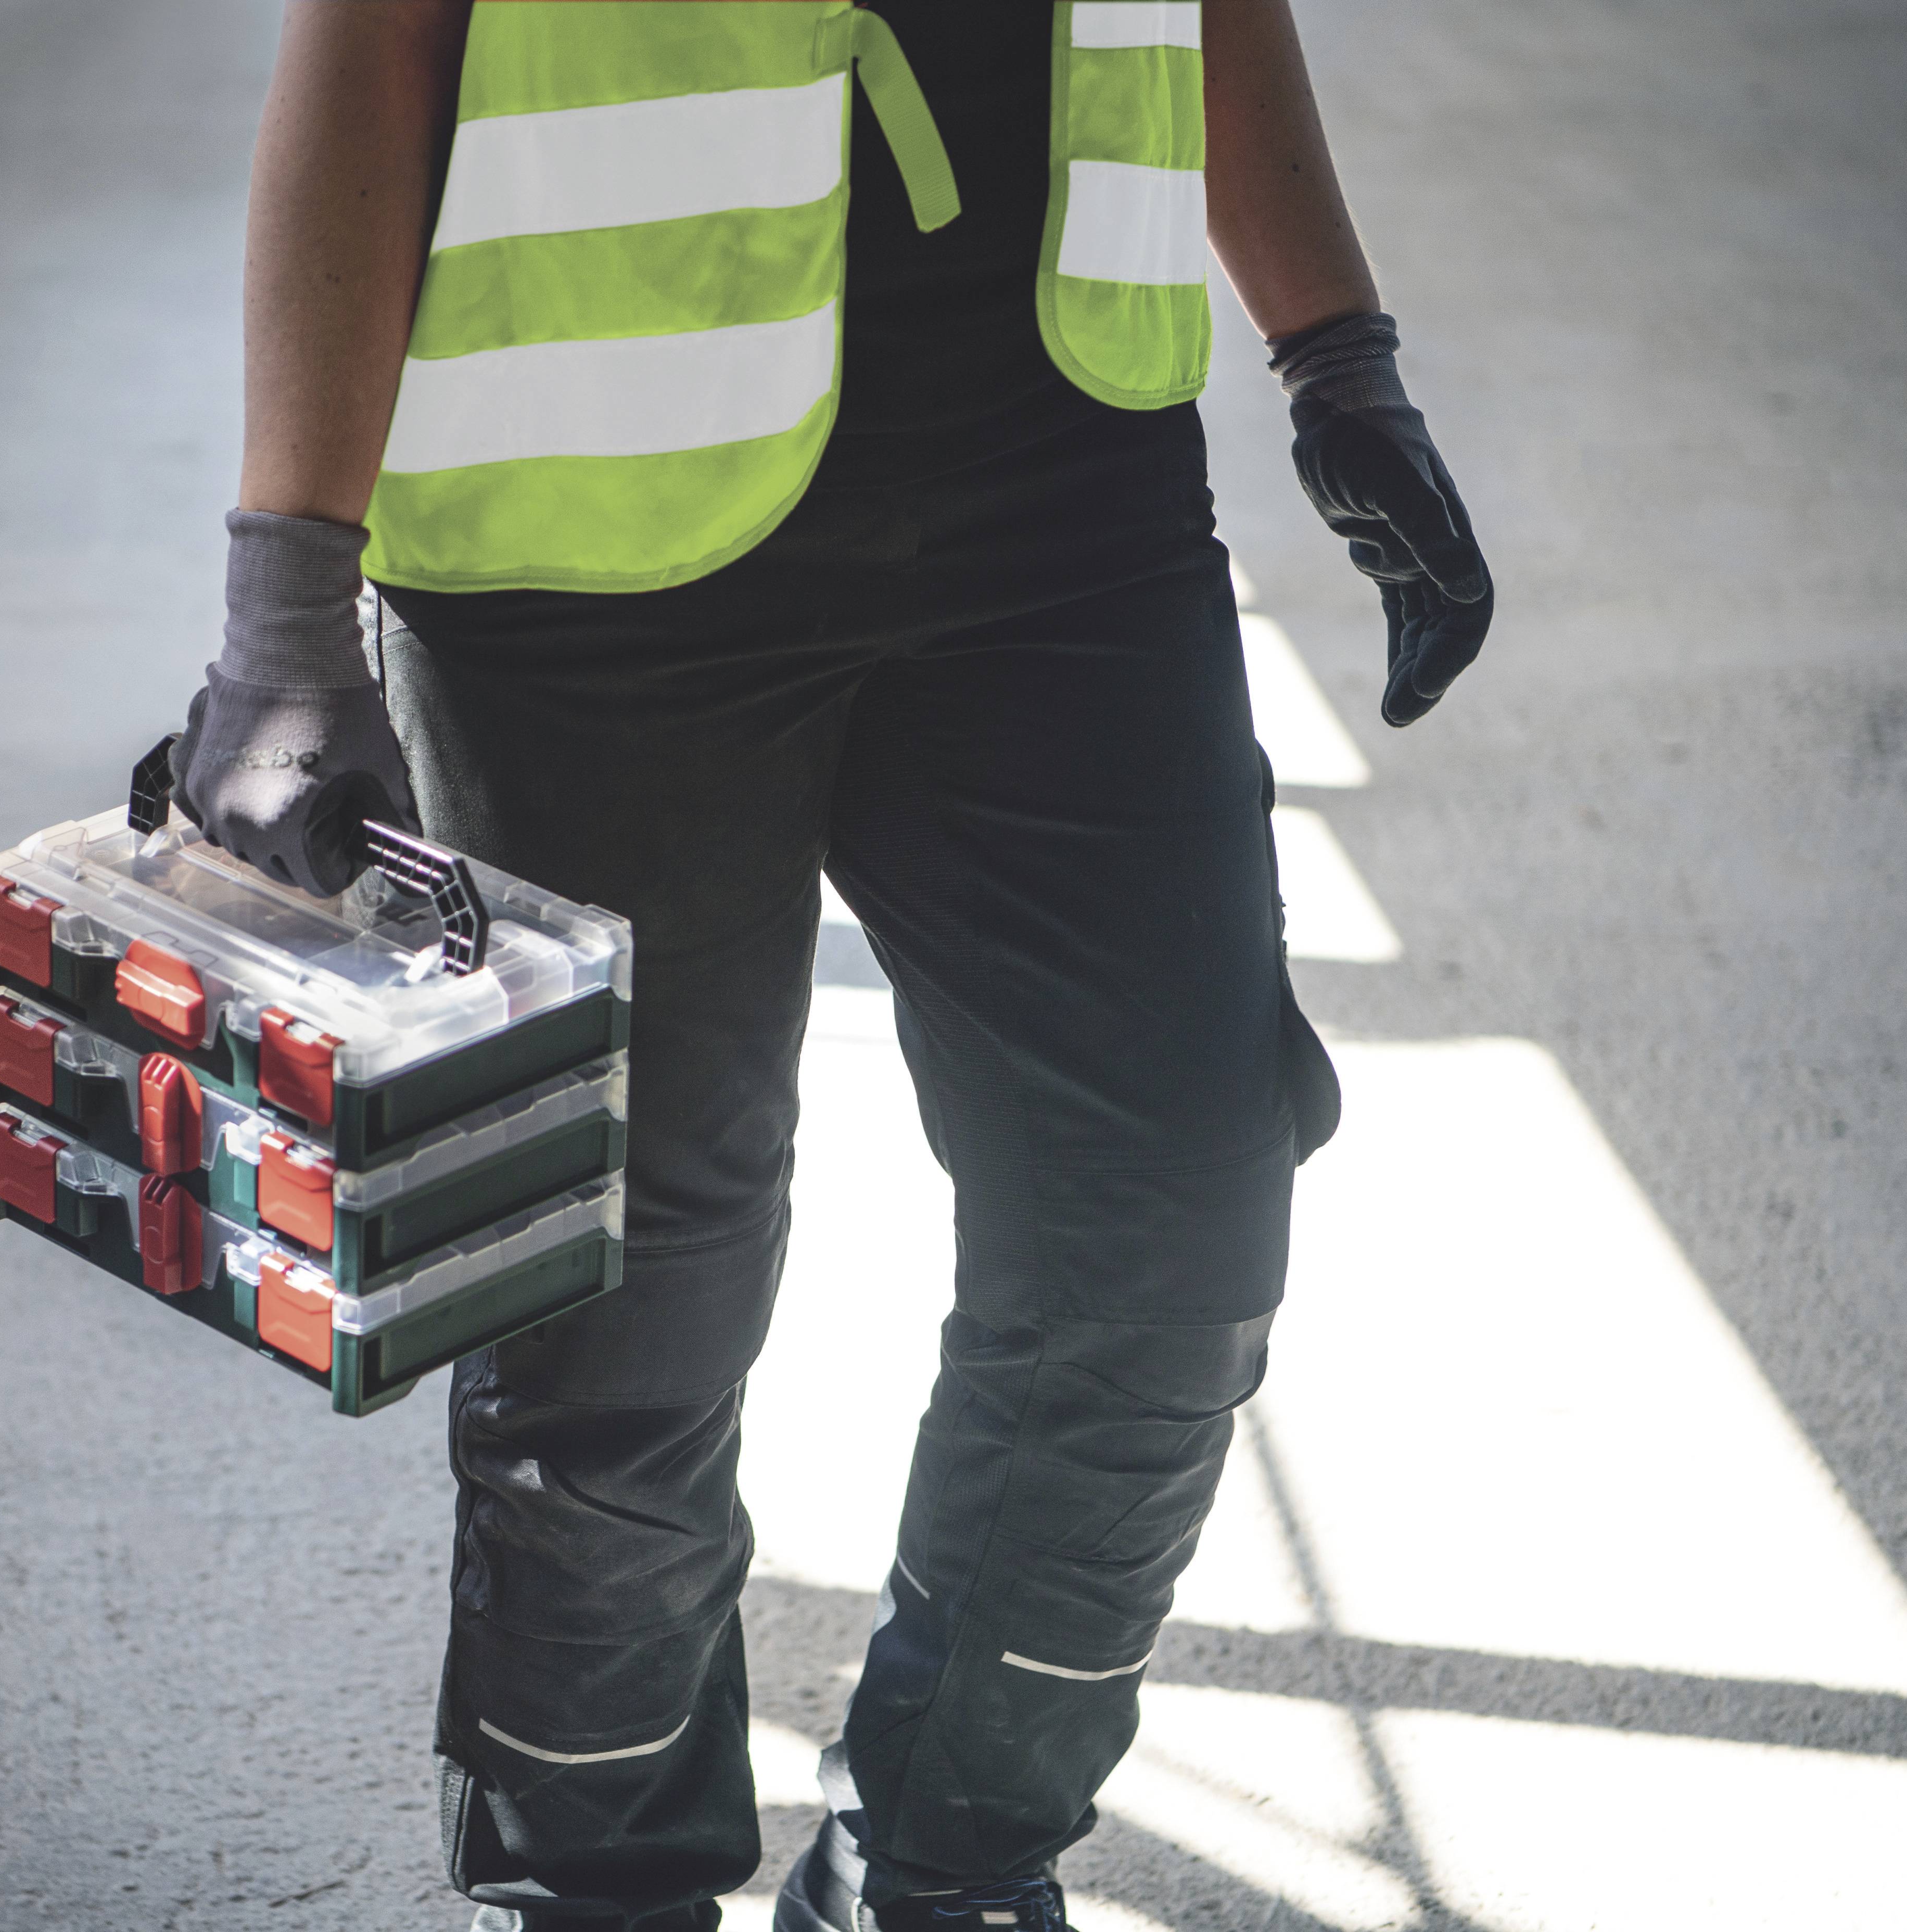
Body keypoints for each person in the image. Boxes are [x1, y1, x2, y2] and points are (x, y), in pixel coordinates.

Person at [180, 4, 1492, 1928]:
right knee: (623, 1302)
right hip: (593, 517)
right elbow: (379, 31)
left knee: (1172, 1214)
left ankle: (950, 1864)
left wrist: (1334, 344)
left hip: (1068, 494)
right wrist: (287, 599)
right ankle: (600, 1885)